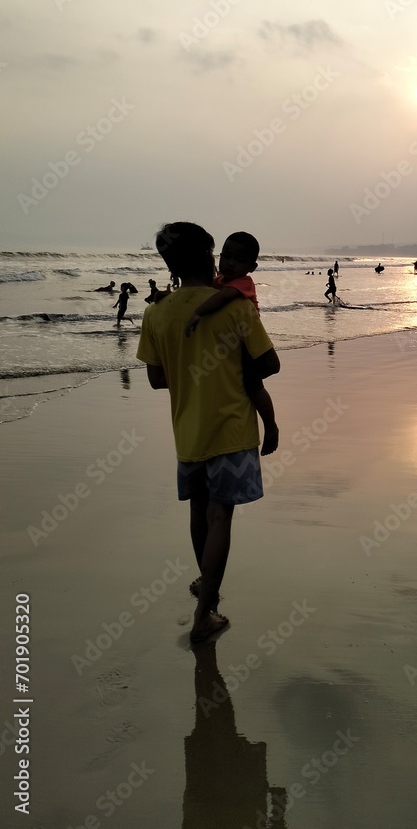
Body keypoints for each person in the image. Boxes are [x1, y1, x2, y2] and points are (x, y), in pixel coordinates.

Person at [136, 222, 280, 643]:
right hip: (232, 431)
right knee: (221, 517)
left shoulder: (155, 312)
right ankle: (204, 612)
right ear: (208, 257)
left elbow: (157, 380)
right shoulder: (236, 307)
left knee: (200, 513)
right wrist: (238, 378)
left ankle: (208, 598)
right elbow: (267, 362)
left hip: (189, 433)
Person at [185, 232, 277, 446]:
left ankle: (271, 427)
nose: (230, 263)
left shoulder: (244, 283)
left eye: (239, 260)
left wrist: (198, 312)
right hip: (232, 340)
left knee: (252, 385)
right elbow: (199, 290)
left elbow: (223, 296)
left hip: (248, 341)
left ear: (252, 267)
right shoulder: (220, 280)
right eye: (226, 256)